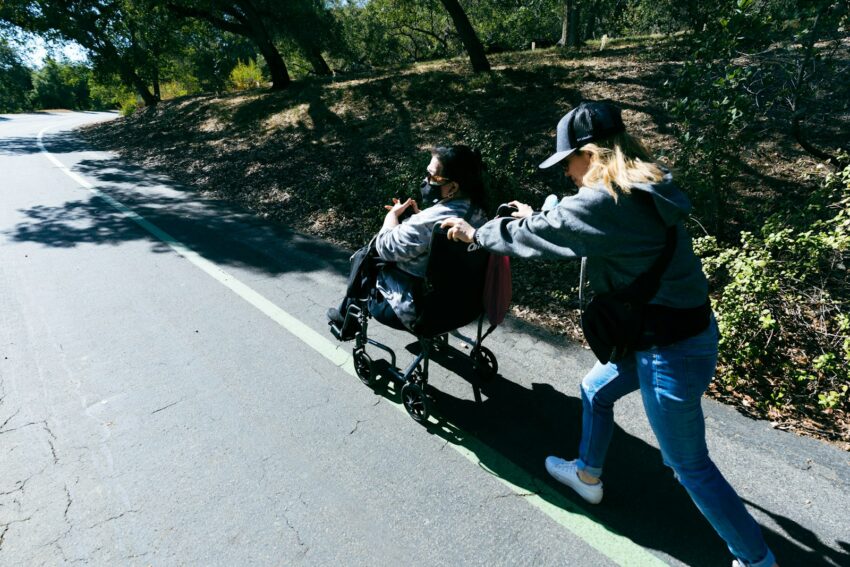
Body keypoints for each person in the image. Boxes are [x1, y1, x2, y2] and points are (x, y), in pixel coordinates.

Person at [441, 102, 778, 567]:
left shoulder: (606, 201)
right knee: (594, 389)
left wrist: (476, 234)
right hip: (672, 333)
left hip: (667, 351)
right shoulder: (648, 182)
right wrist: (545, 211)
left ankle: (756, 560)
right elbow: (588, 223)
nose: (565, 174)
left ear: (591, 152)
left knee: (688, 466)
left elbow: (545, 234)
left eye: (567, 162)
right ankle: (588, 475)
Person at [327, 144, 488, 338]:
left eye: (432, 177)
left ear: (453, 187)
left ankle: (345, 320)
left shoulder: (432, 220)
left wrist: (392, 217)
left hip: (417, 311)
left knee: (367, 256)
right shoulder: (480, 212)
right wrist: (419, 219)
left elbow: (384, 247)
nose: (425, 181)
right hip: (464, 306)